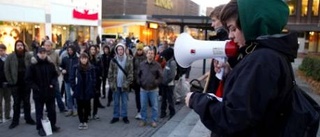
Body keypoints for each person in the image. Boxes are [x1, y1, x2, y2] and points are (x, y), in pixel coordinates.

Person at [185, 0, 299, 136]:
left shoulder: (262, 60)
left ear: (251, 24)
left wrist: (195, 100)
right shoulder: (267, 55)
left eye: (233, 29)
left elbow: (232, 118)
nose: (230, 36)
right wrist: (231, 73)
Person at [25, 47, 60, 136]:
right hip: (38, 93)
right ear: (37, 54)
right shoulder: (32, 65)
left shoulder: (50, 64)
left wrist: (53, 83)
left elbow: (55, 75)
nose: (42, 54)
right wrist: (36, 87)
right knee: (39, 112)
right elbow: (28, 79)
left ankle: (52, 125)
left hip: (50, 91)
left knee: (52, 110)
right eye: (41, 53)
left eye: (44, 53)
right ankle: (40, 128)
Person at [5, 40, 36, 129]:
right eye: (18, 45)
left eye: (21, 45)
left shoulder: (28, 56)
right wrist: (10, 81)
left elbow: (33, 68)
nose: (19, 47)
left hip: (26, 83)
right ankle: (15, 121)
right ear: (15, 46)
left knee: (27, 102)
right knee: (16, 103)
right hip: (15, 84)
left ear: (23, 46)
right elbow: (6, 70)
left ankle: (28, 118)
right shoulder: (10, 57)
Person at [204, 4, 229, 96]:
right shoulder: (219, 40)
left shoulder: (226, 41)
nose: (212, 24)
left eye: (214, 20)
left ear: (223, 20)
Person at [108, 43, 133, 124]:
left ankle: (124, 116)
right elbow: (110, 74)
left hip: (124, 86)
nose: (120, 51)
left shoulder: (129, 60)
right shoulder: (113, 60)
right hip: (116, 86)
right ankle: (116, 116)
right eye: (118, 49)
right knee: (116, 102)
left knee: (124, 102)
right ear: (116, 51)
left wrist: (126, 84)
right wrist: (111, 84)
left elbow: (130, 74)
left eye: (121, 49)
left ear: (124, 50)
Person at [70, 53, 95, 130]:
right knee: (80, 106)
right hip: (79, 89)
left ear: (87, 59)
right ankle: (81, 121)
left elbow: (94, 79)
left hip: (88, 89)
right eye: (82, 58)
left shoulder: (91, 67)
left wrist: (92, 87)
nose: (84, 60)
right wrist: (74, 87)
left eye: (85, 58)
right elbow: (72, 78)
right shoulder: (76, 67)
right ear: (80, 59)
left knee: (87, 106)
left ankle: (85, 121)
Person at [138, 47, 162, 128]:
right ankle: (143, 120)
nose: (150, 55)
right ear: (146, 54)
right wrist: (140, 82)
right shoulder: (142, 64)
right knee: (143, 106)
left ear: (154, 55)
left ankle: (154, 120)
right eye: (149, 53)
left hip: (153, 89)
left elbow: (161, 77)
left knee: (154, 106)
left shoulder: (157, 65)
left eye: (152, 53)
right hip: (143, 89)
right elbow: (138, 75)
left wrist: (156, 82)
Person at [44, 40, 67, 113]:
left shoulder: (55, 54)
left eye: (49, 45)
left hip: (54, 76)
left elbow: (59, 63)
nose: (47, 47)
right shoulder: (42, 53)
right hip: (44, 77)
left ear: (51, 46)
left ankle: (61, 107)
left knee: (57, 93)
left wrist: (58, 71)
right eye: (46, 45)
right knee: (47, 94)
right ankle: (48, 108)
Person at [60, 46, 79, 117]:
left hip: (75, 80)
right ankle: (70, 109)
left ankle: (76, 109)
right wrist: (62, 70)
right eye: (68, 50)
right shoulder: (65, 59)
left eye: (71, 50)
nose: (70, 51)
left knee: (75, 95)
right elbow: (61, 66)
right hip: (67, 79)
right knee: (68, 96)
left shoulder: (77, 59)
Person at [88, 45, 104, 120]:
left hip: (97, 80)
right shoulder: (87, 58)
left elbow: (101, 68)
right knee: (88, 98)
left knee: (96, 97)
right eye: (91, 49)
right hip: (89, 80)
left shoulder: (98, 58)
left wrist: (99, 74)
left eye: (94, 49)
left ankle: (95, 113)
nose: (93, 51)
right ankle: (88, 113)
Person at [159, 48, 176, 119]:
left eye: (165, 56)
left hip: (169, 85)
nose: (164, 57)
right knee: (164, 99)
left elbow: (171, 76)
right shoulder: (168, 61)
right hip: (164, 84)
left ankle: (172, 112)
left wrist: (165, 82)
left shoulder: (172, 63)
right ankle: (163, 112)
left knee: (170, 99)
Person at [132, 43, 146, 119]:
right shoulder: (134, 58)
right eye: (138, 50)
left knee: (143, 96)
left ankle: (143, 111)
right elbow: (133, 68)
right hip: (136, 80)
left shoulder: (145, 58)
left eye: (140, 50)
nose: (139, 51)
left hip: (143, 80)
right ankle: (139, 111)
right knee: (137, 96)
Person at [0, 44, 10, 123]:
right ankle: (0, 117)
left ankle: (7, 115)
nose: (1, 52)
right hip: (0, 83)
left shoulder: (8, 58)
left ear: (5, 50)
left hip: (8, 82)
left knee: (8, 100)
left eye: (2, 50)